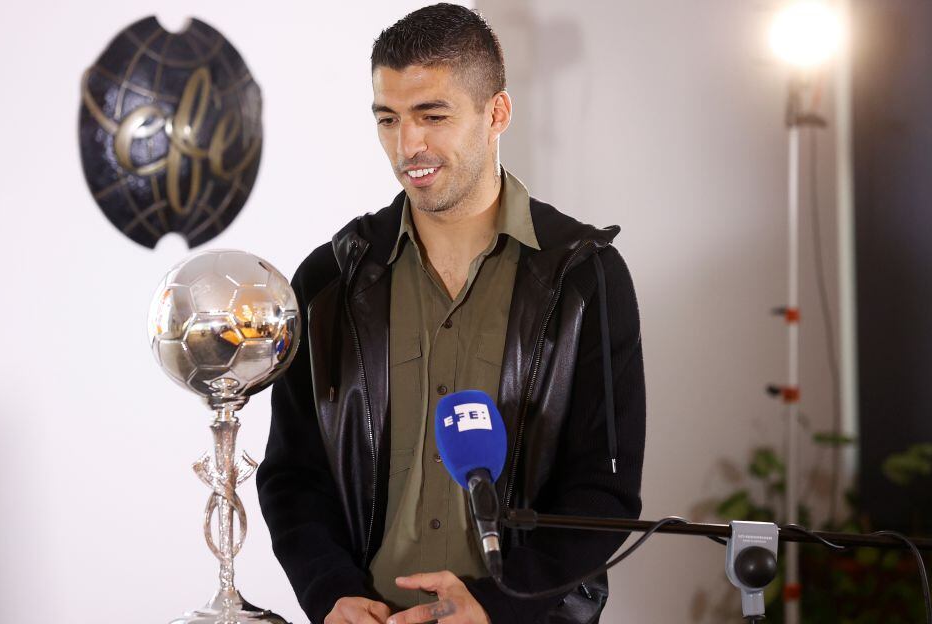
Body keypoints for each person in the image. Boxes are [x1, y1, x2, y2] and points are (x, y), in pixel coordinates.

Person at [256, 4, 646, 623]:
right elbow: (293, 475)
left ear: (497, 114)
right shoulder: (331, 278)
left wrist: (499, 604)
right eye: (389, 119)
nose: (409, 145)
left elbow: (605, 493)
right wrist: (329, 593)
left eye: (432, 116)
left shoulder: (585, 276)